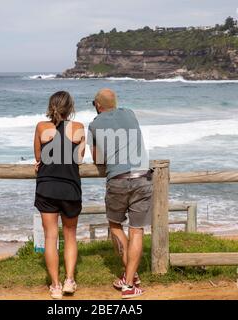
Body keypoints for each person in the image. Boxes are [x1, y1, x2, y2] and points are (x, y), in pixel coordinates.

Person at [88, 88, 152, 299]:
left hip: (117, 180)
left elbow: (98, 160)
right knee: (137, 230)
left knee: (115, 225)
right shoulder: (130, 113)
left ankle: (129, 285)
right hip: (142, 178)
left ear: (97, 105)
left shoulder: (94, 124)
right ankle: (130, 277)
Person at [34, 91, 85, 299]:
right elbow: (79, 159)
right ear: (70, 108)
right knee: (70, 236)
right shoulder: (79, 127)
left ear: (51, 106)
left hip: (46, 187)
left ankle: (55, 285)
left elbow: (38, 156)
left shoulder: (41, 127)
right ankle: (69, 281)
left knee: (50, 237)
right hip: (70, 188)